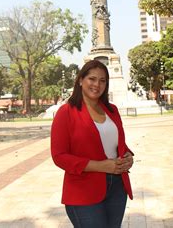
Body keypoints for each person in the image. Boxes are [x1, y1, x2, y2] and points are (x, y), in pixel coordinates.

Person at [51, 60, 134, 228]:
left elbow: (117, 143)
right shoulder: (66, 112)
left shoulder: (112, 110)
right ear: (81, 80)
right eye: (92, 79)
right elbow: (59, 156)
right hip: (83, 190)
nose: (97, 84)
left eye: (102, 80)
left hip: (117, 186)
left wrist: (128, 156)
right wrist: (100, 166)